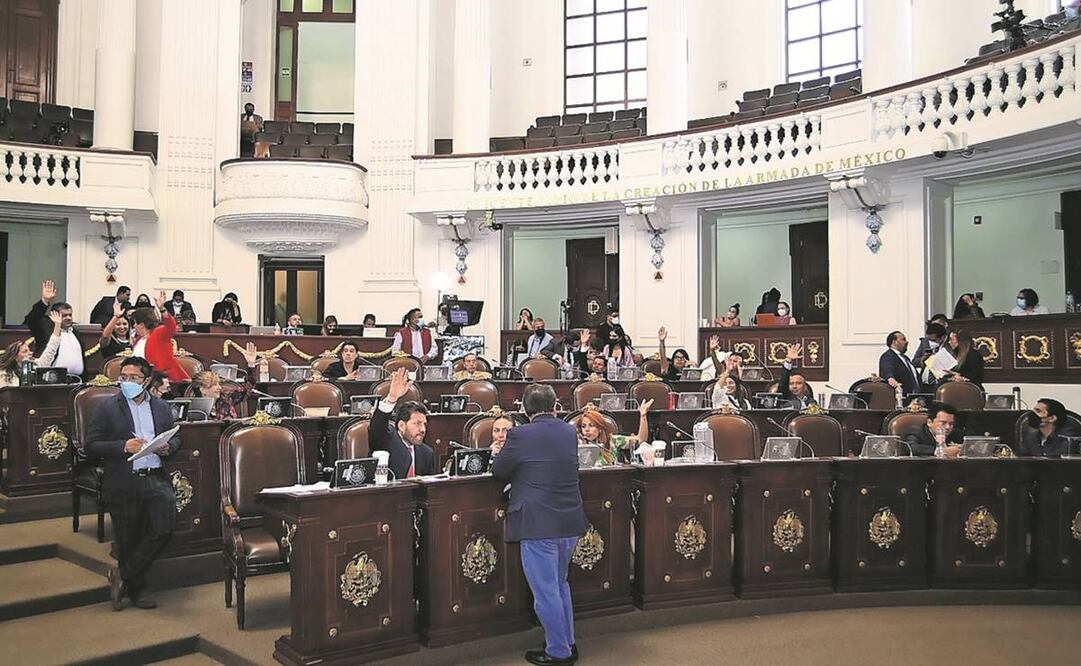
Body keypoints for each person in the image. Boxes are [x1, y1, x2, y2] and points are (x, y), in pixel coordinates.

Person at [491, 383, 587, 666]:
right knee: (559, 584)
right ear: (555, 407)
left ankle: (558, 651)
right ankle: (568, 642)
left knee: (546, 591)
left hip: (538, 523)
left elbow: (499, 471)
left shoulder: (519, 434)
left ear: (523, 409)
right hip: (569, 519)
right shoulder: (569, 431)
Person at [84, 356, 182, 611]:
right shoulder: (107, 408)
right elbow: (91, 446)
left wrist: (167, 447)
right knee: (127, 538)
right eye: (123, 377)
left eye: (134, 378)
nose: (127, 382)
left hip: (156, 476)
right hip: (124, 479)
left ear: (147, 381)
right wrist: (122, 446)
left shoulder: (161, 407)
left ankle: (122, 576)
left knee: (164, 529)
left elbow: (176, 438)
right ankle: (137, 588)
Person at [370, 368, 435, 479]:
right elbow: (377, 426)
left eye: (424, 424)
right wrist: (391, 398)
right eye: (417, 424)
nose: (423, 429)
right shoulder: (386, 440)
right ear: (401, 425)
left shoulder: (427, 453)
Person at [23, 280, 85, 377]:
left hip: (76, 379)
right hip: (51, 379)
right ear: (53, 315)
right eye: (64, 315)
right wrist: (45, 301)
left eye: (70, 315)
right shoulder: (45, 328)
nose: (68, 318)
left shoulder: (75, 332)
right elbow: (31, 319)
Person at [190, 343, 259, 420]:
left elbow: (247, 389)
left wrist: (251, 365)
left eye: (218, 384)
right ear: (202, 389)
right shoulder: (193, 408)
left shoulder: (226, 398)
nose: (219, 387)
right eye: (214, 385)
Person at [131, 292, 189, 382]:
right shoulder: (138, 339)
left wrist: (162, 309)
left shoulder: (159, 332)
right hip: (141, 379)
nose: (134, 326)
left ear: (142, 324)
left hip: (164, 381)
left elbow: (171, 327)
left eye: (134, 323)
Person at [577, 400, 651, 466]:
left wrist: (643, 416)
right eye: (583, 426)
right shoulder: (577, 444)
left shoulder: (613, 441)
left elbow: (641, 439)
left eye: (591, 425)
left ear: (600, 428)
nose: (586, 429)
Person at [0, 311, 63, 386]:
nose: (30, 353)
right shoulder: (4, 374)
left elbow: (51, 349)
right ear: (15, 357)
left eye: (29, 350)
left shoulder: (37, 366)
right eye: (25, 351)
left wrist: (57, 325)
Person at [878, 331, 921, 397]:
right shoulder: (888, 356)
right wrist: (890, 378)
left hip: (916, 398)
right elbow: (886, 368)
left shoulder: (905, 358)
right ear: (894, 342)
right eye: (903, 339)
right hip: (902, 398)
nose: (906, 342)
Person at [909, 322, 947, 391]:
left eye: (933, 340)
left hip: (940, 384)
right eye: (929, 339)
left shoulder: (948, 348)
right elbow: (914, 361)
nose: (930, 343)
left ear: (943, 338)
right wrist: (922, 360)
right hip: (924, 384)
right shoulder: (924, 343)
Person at [778, 343, 815, 409]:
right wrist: (788, 360)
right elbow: (784, 381)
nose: (794, 386)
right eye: (791, 384)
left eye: (798, 383)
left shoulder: (811, 401)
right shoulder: (785, 399)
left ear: (805, 386)